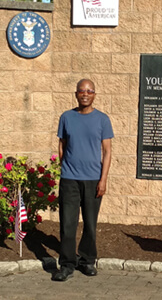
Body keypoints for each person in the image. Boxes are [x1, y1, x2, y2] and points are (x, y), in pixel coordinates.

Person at [52, 79, 114, 282]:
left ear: (94, 94)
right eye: (82, 91)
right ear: (76, 94)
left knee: (90, 223)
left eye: (90, 91)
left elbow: (107, 151)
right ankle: (67, 264)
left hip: (93, 180)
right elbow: (62, 146)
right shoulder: (66, 117)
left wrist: (103, 180)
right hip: (69, 179)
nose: (85, 94)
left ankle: (87, 261)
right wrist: (65, 168)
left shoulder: (102, 120)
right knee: (67, 224)